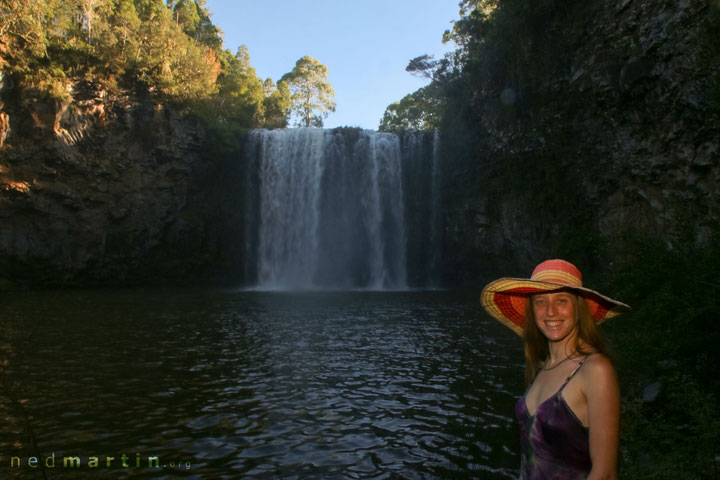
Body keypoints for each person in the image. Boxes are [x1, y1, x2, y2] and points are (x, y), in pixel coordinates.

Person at [480, 259, 630, 480]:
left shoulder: (594, 369)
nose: (550, 312)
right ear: (532, 310)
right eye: (540, 301)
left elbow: (605, 473)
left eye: (562, 300)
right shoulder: (541, 366)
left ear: (579, 307)